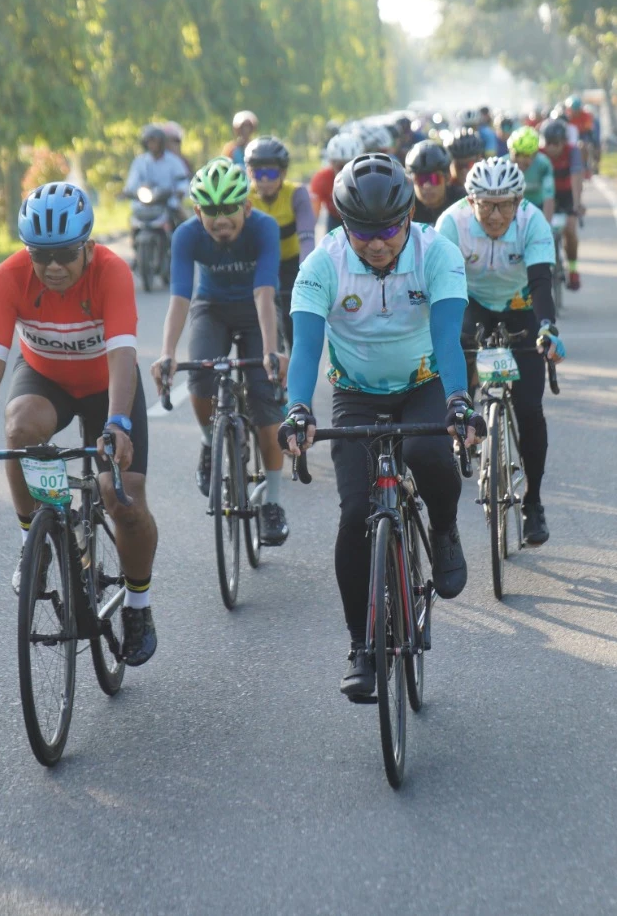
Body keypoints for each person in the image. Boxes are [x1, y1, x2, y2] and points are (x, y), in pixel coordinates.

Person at [278, 153, 485, 699]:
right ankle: (362, 646)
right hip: (356, 394)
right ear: (344, 224)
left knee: (429, 454)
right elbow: (305, 349)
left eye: (389, 230)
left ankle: (444, 529)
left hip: (424, 383)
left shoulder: (436, 253)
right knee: (354, 515)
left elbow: (447, 338)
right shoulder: (322, 265)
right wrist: (297, 409)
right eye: (362, 232)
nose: (376, 244)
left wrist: (458, 401)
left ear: (409, 216)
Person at [0, 182, 160, 666]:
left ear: (88, 245)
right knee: (19, 428)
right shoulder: (9, 278)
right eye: (41, 255)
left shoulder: (111, 272)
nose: (54, 266)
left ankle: (138, 606)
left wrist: (118, 423)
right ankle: (34, 543)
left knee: (122, 497)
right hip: (47, 379)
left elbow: (122, 356)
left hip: (109, 385)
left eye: (65, 253)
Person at [151, 159, 292, 545]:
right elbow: (180, 296)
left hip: (256, 311)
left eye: (229, 208)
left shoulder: (264, 228)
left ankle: (272, 503)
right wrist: (167, 352)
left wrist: (270, 351)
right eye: (211, 211)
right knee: (200, 381)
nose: (221, 219)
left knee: (266, 404)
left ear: (246, 206)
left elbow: (265, 292)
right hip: (211, 309)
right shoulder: (186, 235)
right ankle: (208, 441)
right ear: (198, 213)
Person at [434, 158, 565, 545]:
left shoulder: (533, 222)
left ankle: (533, 502)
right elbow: (441, 286)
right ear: (470, 201)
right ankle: (464, 426)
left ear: (519, 202)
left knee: (530, 410)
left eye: (504, 205)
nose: (494, 215)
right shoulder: (451, 224)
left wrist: (547, 327)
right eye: (486, 205)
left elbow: (541, 282)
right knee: (455, 367)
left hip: (521, 306)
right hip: (471, 303)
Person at [244, 136, 316, 350]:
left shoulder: (297, 194)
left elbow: (307, 238)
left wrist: (306, 272)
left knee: (293, 319)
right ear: (249, 173)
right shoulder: (244, 197)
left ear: (283, 173)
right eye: (258, 173)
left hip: (291, 263)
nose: (265, 180)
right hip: (258, 264)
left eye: (272, 173)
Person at [541, 118, 585, 291]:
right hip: (546, 194)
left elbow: (576, 178)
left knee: (570, 229)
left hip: (567, 194)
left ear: (564, 142)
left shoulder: (572, 152)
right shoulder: (539, 153)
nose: (552, 147)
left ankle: (573, 269)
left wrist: (577, 204)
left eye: (556, 143)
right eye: (548, 143)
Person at [123, 123, 191, 226]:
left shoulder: (173, 161)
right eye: (149, 142)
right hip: (143, 205)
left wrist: (180, 191)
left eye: (155, 141)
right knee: (132, 222)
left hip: (168, 203)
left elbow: (182, 181)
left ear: (161, 142)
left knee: (185, 222)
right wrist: (129, 191)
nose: (152, 145)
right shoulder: (139, 162)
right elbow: (131, 183)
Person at [312, 131, 364, 234]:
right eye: (341, 166)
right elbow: (314, 214)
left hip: (362, 218)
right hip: (335, 218)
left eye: (351, 165)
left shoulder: (366, 177)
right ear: (331, 163)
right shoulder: (321, 179)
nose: (346, 170)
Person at [507, 125, 556, 220]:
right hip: (511, 209)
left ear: (535, 154)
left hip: (538, 207)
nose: (520, 160)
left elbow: (549, 197)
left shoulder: (543, 165)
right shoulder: (503, 165)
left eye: (526, 156)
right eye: (517, 154)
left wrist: (546, 225)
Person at [405, 138, 453, 226]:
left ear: (447, 177)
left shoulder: (461, 204)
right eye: (420, 179)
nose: (427, 186)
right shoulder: (404, 211)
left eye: (433, 178)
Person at [445, 126, 485, 202]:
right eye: (459, 166)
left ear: (479, 159)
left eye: (470, 165)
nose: (464, 171)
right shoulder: (445, 189)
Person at [565, 96, 600, 173]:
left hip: (583, 134)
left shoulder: (585, 115)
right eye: (573, 109)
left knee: (584, 146)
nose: (575, 112)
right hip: (571, 135)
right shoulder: (568, 116)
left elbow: (588, 130)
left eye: (577, 109)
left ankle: (585, 165)